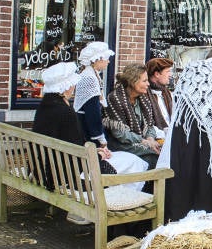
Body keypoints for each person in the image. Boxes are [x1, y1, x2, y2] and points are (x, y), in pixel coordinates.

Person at [33, 62, 148, 225]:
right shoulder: (65, 112)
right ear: (66, 86)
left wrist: (95, 151)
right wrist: (98, 154)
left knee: (125, 159)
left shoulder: (45, 106)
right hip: (68, 174)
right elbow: (76, 152)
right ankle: (116, 209)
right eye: (72, 84)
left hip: (50, 167)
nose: (74, 87)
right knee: (134, 162)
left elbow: (70, 144)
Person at [161, 47, 212, 222]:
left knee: (185, 175)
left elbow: (178, 101)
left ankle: (178, 218)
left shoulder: (192, 69)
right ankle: (208, 217)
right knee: (210, 177)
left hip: (188, 130)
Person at [103, 63, 162, 169]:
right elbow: (120, 134)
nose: (148, 84)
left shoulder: (144, 100)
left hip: (141, 142)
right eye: (144, 81)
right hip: (121, 145)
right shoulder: (115, 98)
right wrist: (144, 141)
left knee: (161, 152)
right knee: (154, 157)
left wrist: (150, 138)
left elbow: (150, 125)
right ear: (132, 82)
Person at [146, 57, 174, 133]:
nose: (170, 75)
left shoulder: (167, 93)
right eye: (167, 71)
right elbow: (147, 125)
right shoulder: (144, 95)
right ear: (157, 74)